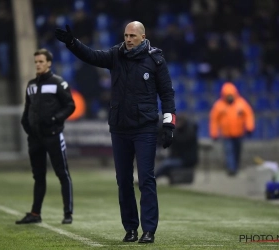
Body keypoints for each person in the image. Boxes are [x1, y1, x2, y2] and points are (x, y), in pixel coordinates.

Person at [55, 21, 176, 243]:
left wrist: (168, 124)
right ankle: (130, 228)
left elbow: (167, 94)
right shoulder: (116, 55)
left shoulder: (155, 60)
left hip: (145, 128)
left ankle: (149, 230)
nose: (128, 39)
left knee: (147, 179)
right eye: (125, 35)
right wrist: (72, 43)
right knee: (123, 180)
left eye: (132, 36)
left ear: (143, 36)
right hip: (119, 127)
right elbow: (92, 56)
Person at [16, 49, 75, 225]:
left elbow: (70, 105)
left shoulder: (58, 83)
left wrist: (55, 119)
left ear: (49, 63)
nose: (38, 64)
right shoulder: (31, 85)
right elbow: (27, 109)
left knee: (62, 174)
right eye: (36, 62)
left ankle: (68, 213)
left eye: (41, 61)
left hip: (53, 135)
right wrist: (26, 125)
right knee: (38, 176)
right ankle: (35, 213)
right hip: (35, 138)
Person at [209, 82, 255, 176]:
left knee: (237, 151)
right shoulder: (219, 105)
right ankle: (231, 169)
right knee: (229, 151)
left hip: (239, 133)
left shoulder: (241, 103)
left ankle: (236, 166)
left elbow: (249, 115)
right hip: (227, 134)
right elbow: (214, 120)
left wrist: (249, 127)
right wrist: (214, 133)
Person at [155, 114, 198, 184]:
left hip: (186, 159)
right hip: (179, 157)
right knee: (163, 161)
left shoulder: (189, 132)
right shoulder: (179, 131)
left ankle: (151, 179)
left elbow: (181, 141)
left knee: (166, 164)